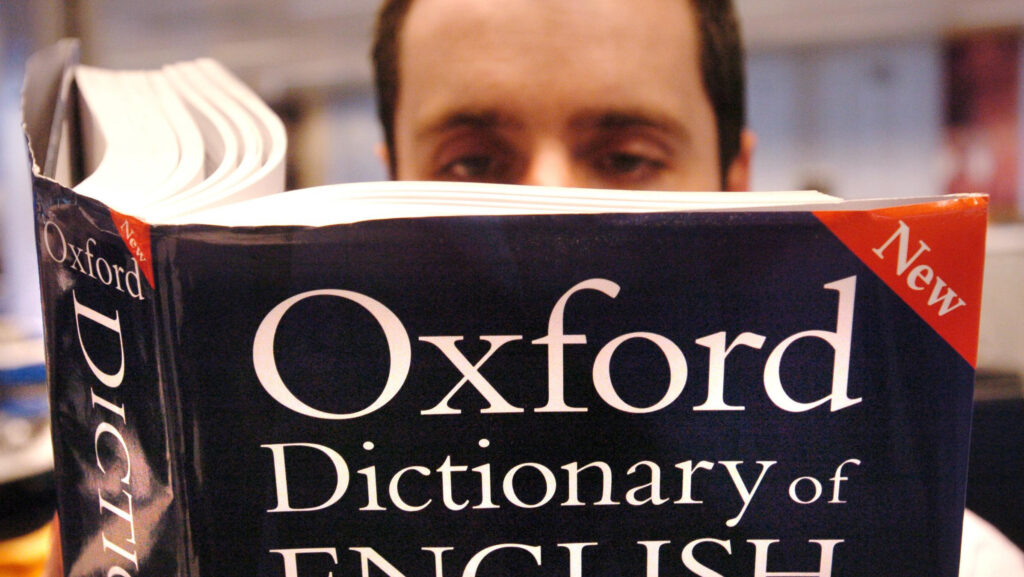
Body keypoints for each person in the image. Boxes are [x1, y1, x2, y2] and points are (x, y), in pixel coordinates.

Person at [369, 1, 1024, 576]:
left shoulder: (944, 561)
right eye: (471, 163)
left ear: (734, 181)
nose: (544, 216)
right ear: (386, 188)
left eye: (627, 158)